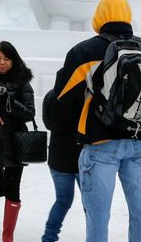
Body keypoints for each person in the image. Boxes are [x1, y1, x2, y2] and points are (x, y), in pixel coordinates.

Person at [54, 0, 141, 242]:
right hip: (138, 141)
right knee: (140, 214)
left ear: (99, 18)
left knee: (98, 217)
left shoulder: (85, 51)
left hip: (100, 143)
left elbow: (62, 97)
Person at [0, 41, 35, 242]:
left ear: (14, 60)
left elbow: (30, 113)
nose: (2, 63)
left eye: (6, 59)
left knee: (13, 188)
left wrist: (8, 102)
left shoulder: (22, 82)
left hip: (15, 143)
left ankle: (8, 231)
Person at [41, 89, 82, 242]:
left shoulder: (51, 95)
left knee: (62, 200)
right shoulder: (85, 94)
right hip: (82, 158)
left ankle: (49, 237)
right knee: (91, 205)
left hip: (58, 157)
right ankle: (95, 236)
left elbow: (47, 123)